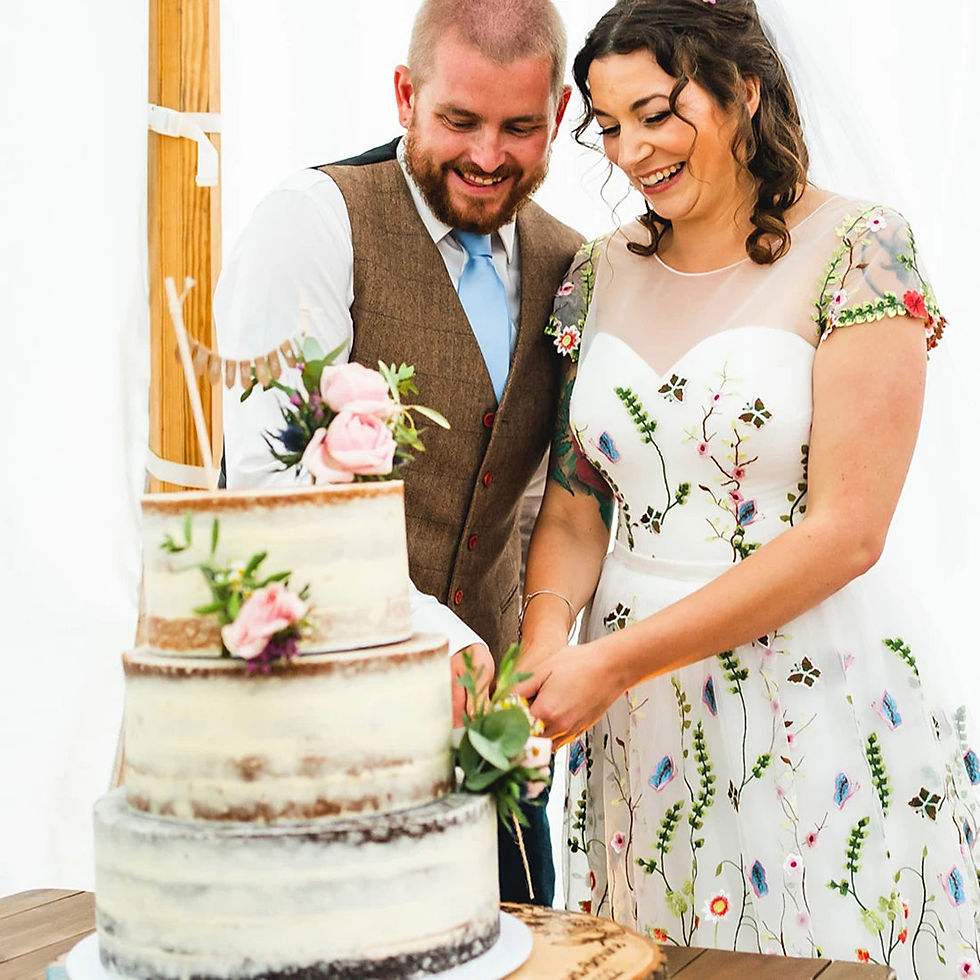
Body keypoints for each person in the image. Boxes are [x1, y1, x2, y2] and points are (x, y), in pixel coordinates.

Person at [516, 0, 980, 969]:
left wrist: (614, 661)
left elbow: (847, 531)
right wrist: (548, 643)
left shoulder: (860, 250)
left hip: (806, 695)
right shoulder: (596, 274)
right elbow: (572, 501)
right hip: (637, 724)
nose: (630, 150)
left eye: (654, 112)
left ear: (744, 90)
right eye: (606, 125)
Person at [215, 0, 582, 905]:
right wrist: (441, 646)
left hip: (489, 756)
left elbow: (543, 493)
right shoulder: (315, 220)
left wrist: (533, 655)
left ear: (562, 114)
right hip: (313, 728)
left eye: (520, 127)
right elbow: (272, 493)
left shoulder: (573, 262)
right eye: (459, 120)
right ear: (405, 95)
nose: (488, 156)